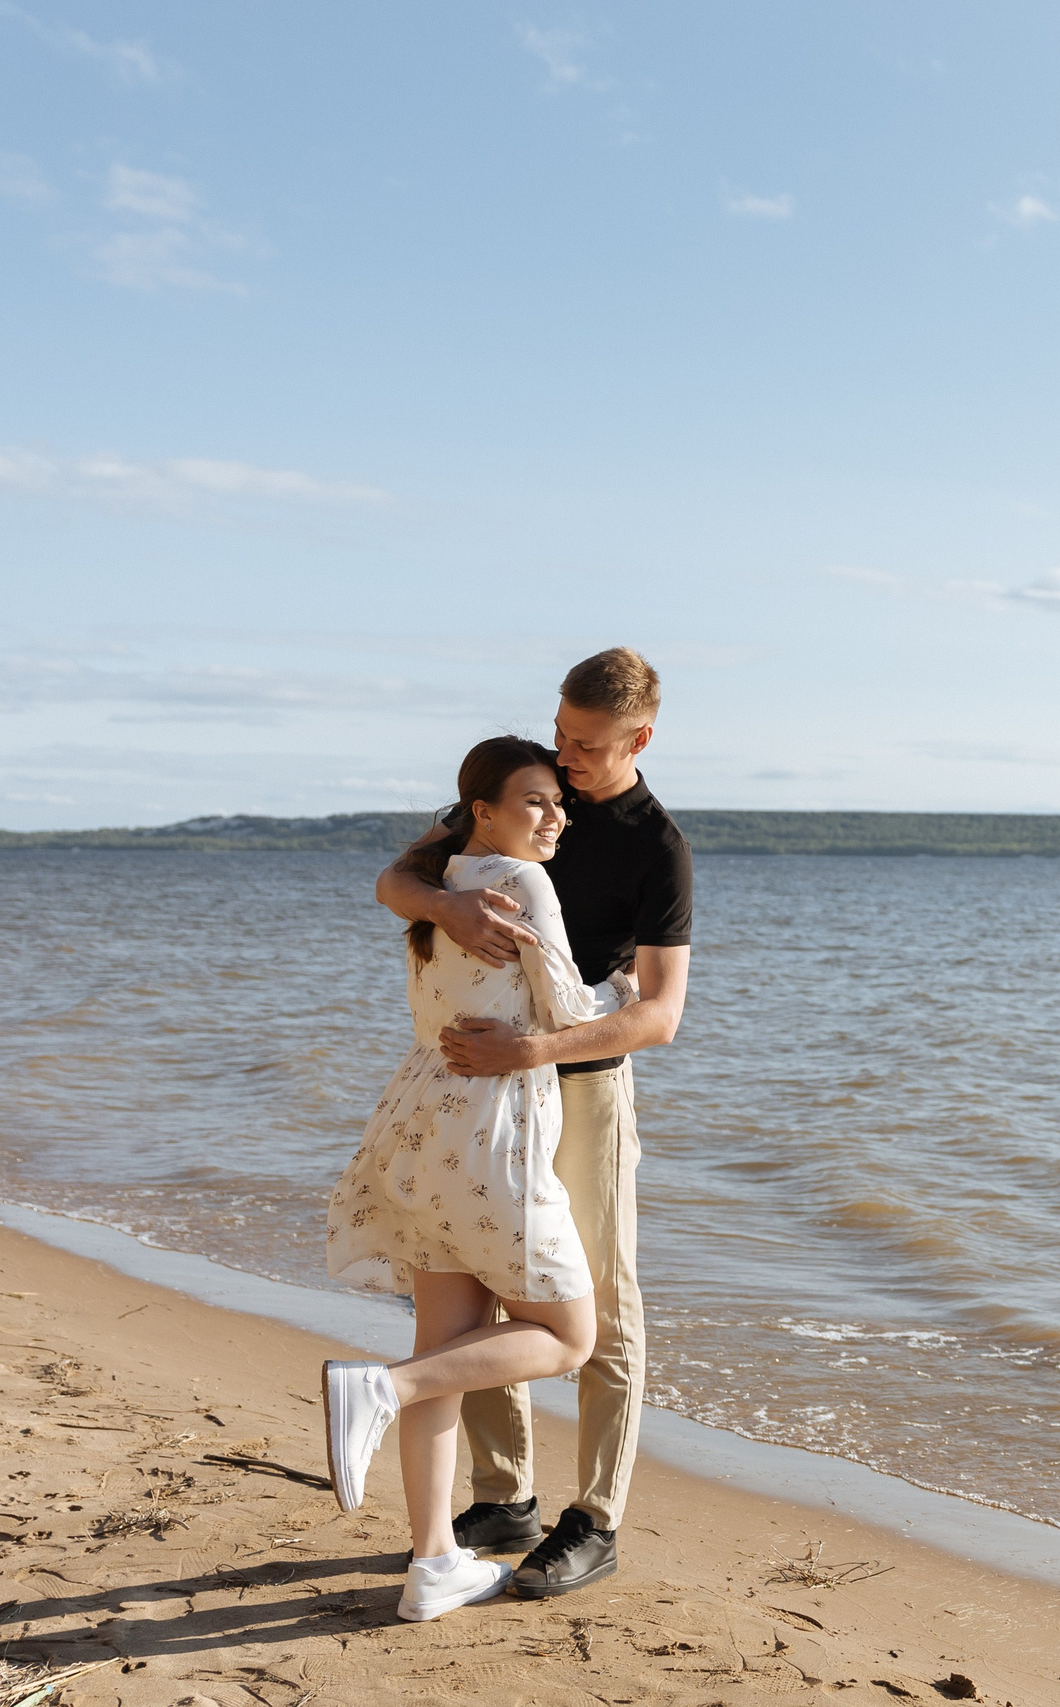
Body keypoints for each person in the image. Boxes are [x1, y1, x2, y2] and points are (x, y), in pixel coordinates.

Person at [374, 646, 692, 1599]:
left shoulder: (657, 847)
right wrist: (448, 905)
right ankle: (503, 1494)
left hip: (580, 1089)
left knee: (601, 1298)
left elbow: (660, 1014)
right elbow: (393, 880)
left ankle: (594, 1517)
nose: (567, 757)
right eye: (560, 732)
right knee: (487, 1276)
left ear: (639, 739)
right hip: (491, 1094)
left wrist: (535, 1050)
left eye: (587, 744)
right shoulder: (524, 789)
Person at [321, 735, 632, 1622]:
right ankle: (380, 1388)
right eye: (536, 800)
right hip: (493, 1130)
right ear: (484, 811)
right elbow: (566, 1004)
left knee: (444, 1351)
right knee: (569, 1335)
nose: (555, 816)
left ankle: (433, 1564)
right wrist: (622, 988)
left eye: (558, 802)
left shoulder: (438, 884)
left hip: (419, 1121)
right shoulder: (522, 881)